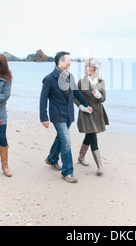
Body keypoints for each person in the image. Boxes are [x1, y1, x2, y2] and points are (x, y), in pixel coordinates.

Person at [39, 51, 92, 183]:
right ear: (60, 62)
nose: (70, 62)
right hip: (57, 114)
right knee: (66, 141)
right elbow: (43, 99)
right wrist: (43, 117)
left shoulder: (70, 76)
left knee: (61, 138)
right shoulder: (49, 79)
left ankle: (51, 159)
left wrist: (87, 104)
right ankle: (67, 172)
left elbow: (76, 92)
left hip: (68, 113)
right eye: (68, 60)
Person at [74, 58, 109, 175]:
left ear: (95, 68)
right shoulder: (81, 81)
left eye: (91, 67)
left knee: (89, 135)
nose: (89, 69)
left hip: (97, 113)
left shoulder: (101, 81)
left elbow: (103, 99)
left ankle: (81, 157)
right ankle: (100, 166)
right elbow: (74, 97)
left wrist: (99, 95)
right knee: (93, 136)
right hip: (86, 113)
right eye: (87, 67)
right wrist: (82, 107)